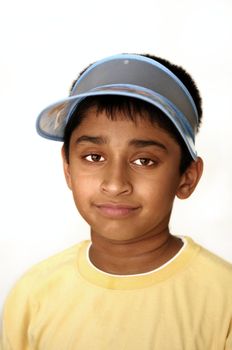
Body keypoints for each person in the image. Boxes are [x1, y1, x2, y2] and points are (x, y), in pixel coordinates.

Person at [1, 53, 232, 350]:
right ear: (68, 168)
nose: (115, 183)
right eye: (94, 157)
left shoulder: (223, 300)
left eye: (144, 160)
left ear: (186, 177)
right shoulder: (32, 295)